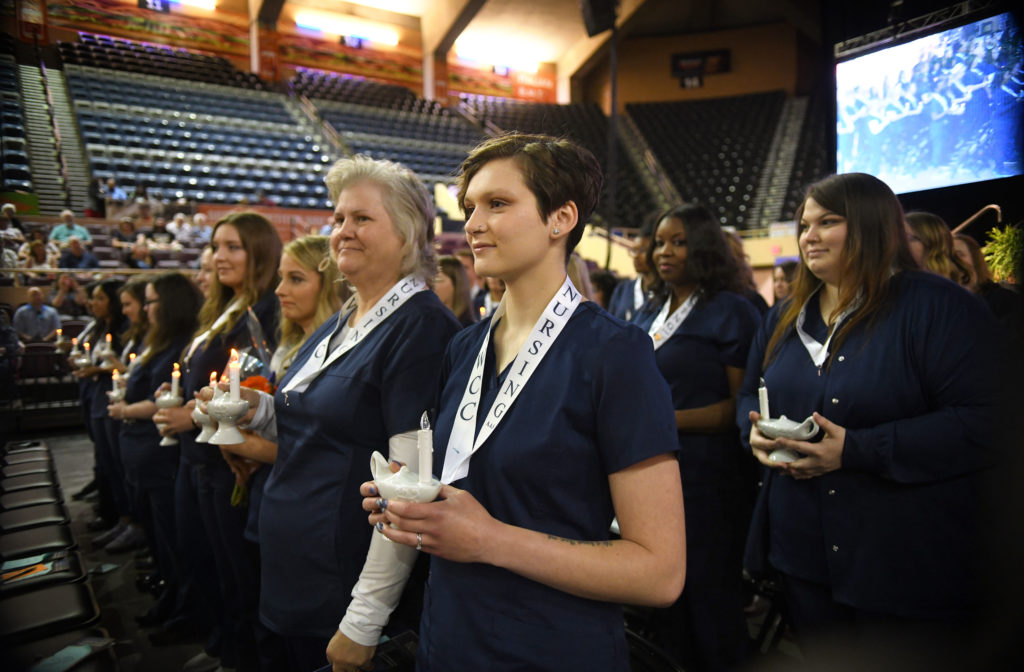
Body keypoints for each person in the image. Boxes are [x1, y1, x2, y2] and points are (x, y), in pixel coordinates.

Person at [347, 134, 685, 671]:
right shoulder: (463, 347)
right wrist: (407, 502)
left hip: (552, 649)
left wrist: (490, 540)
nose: (473, 224)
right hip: (449, 639)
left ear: (561, 218)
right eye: (469, 208)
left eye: (497, 204)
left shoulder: (615, 355)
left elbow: (660, 573)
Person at [738, 173, 1002, 663]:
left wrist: (856, 450)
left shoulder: (939, 307)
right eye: (804, 224)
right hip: (804, 553)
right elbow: (750, 397)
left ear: (871, 224)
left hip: (903, 558)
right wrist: (752, 434)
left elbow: (986, 421)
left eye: (828, 222)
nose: (808, 236)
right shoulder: (781, 318)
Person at [212, 156, 459, 672]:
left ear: (408, 233)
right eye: (339, 218)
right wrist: (253, 409)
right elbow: (312, 420)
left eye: (362, 219)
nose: (342, 231)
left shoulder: (420, 330)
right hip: (296, 567)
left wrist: (364, 618)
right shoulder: (345, 316)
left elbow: (410, 485)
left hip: (339, 581)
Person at [152, 212, 281, 669]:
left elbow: (258, 385)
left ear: (260, 254)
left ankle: (240, 653)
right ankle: (225, 643)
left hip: (231, 457)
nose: (218, 256)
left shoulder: (265, 311)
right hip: (202, 452)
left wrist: (196, 414)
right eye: (215, 246)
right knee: (210, 559)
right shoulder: (225, 307)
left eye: (233, 247)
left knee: (238, 568)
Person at [639, 203, 760, 670]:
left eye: (679, 242)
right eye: (660, 242)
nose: (664, 252)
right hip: (652, 472)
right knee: (666, 608)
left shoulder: (732, 311)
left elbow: (741, 405)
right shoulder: (651, 307)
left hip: (708, 480)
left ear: (704, 248)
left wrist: (665, 421)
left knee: (711, 605)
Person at [107, 272, 202, 636]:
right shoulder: (156, 340)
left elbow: (159, 399)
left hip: (158, 453)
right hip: (142, 450)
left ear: (170, 305)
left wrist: (126, 411)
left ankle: (182, 608)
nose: (145, 309)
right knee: (160, 536)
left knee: (173, 540)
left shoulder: (175, 344)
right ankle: (170, 595)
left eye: (150, 302)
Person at [607, 214, 657, 321]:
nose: (636, 256)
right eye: (634, 250)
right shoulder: (622, 290)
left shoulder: (665, 292)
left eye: (643, 251)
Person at [905, 211, 970, 285]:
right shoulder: (899, 284)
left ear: (932, 242)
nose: (899, 244)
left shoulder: (948, 291)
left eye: (907, 238)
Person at [434, 255, 477, 327]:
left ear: (457, 284)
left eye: (438, 280)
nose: (431, 286)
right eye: (429, 280)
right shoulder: (429, 321)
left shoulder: (467, 329)